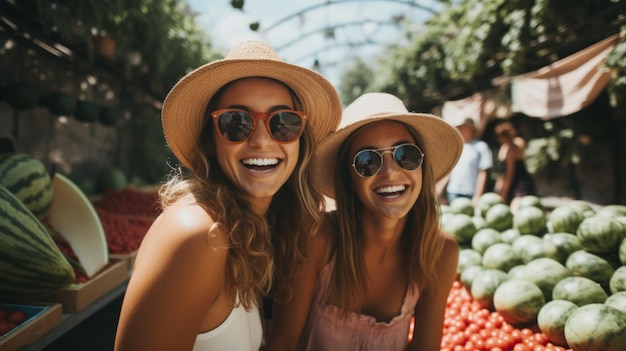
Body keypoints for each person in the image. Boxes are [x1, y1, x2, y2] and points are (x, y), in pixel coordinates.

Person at [114, 40, 342, 351]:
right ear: (209, 141)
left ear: (300, 140)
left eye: (283, 123)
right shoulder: (195, 234)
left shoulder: (246, 233)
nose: (262, 141)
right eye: (236, 122)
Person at [264, 92, 463, 351]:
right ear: (349, 180)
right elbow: (282, 344)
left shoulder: (441, 253)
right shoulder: (316, 240)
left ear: (421, 167)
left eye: (406, 155)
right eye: (367, 161)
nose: (390, 172)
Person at [443, 117, 493, 206]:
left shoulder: (481, 147)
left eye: (463, 127)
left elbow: (483, 173)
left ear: (471, 129)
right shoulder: (457, 146)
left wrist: (478, 196)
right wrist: (439, 189)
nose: (460, 129)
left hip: (470, 192)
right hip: (453, 191)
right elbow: (450, 170)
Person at [494, 119, 536, 207]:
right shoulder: (519, 141)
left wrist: (504, 192)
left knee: (515, 205)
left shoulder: (509, 151)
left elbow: (510, 173)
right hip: (524, 178)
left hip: (516, 181)